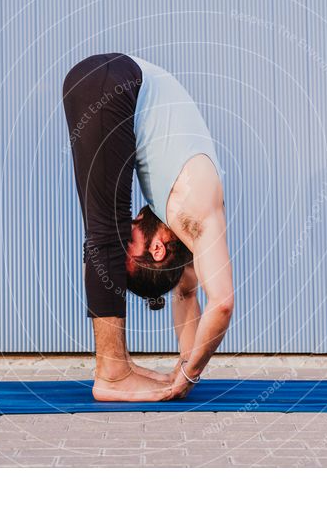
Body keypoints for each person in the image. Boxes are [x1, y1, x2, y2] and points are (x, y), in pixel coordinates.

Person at [62, 53, 234, 402]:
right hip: (111, 83)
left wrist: (184, 364)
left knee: (103, 233)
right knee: (105, 236)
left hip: (105, 81)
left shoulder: (183, 228)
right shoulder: (197, 211)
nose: (133, 224)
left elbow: (186, 291)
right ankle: (112, 373)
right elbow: (222, 302)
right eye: (133, 239)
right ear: (157, 250)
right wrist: (190, 374)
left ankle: (118, 363)